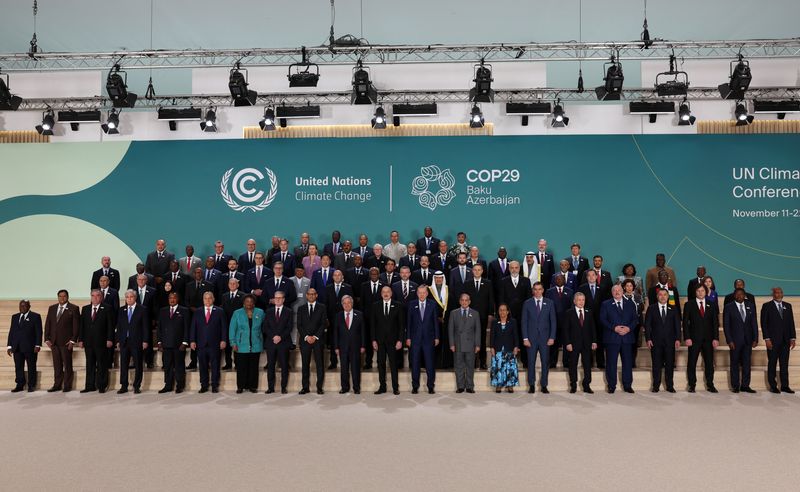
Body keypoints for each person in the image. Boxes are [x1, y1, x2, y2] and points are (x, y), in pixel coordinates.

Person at [600, 285, 639, 394]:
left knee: (627, 362)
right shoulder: (606, 304)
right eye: (614, 290)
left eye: (619, 290)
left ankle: (627, 385)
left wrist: (628, 328)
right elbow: (602, 319)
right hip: (612, 338)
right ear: (612, 292)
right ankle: (611, 385)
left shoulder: (630, 304)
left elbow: (635, 319)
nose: (617, 292)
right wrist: (614, 328)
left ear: (623, 292)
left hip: (627, 337)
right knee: (611, 363)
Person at [683, 283, 719, 393]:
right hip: (693, 339)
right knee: (692, 363)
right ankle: (692, 385)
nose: (700, 293)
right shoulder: (689, 304)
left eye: (702, 291)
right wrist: (687, 338)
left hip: (708, 340)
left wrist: (716, 338)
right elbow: (685, 323)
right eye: (698, 291)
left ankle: (710, 384)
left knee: (709, 363)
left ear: (706, 292)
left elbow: (715, 323)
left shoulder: (711, 304)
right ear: (695, 292)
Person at [521, 282, 556, 394]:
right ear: (532, 290)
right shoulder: (527, 303)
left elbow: (553, 322)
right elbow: (524, 322)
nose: (537, 291)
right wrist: (525, 338)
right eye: (535, 289)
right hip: (531, 339)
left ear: (543, 290)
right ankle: (531, 384)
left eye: (539, 289)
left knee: (545, 362)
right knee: (531, 362)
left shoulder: (549, 303)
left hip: (545, 339)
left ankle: (544, 385)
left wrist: (552, 337)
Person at [644, 288, 681, 393]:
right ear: (657, 296)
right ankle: (656, 385)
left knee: (669, 364)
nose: (663, 297)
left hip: (670, 342)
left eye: (665, 294)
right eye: (660, 295)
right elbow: (647, 325)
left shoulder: (673, 309)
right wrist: (648, 339)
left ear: (668, 296)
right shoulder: (651, 308)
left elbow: (677, 326)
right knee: (656, 364)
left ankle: (670, 385)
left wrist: (678, 339)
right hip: (655, 342)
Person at [190, 292, 228, 393]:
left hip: (215, 343)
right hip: (201, 343)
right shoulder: (197, 312)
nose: (207, 300)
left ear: (213, 299)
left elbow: (224, 327)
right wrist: (192, 340)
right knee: (202, 366)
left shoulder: (220, 311)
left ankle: (215, 385)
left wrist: (223, 340)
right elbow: (193, 327)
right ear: (203, 300)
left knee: (215, 365)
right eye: (205, 298)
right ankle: (204, 385)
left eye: (209, 298)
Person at [43, 289, 80, 392]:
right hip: (54, 342)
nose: (62, 298)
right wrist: (46, 339)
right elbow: (48, 324)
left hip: (66, 342)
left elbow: (76, 326)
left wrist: (73, 340)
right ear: (57, 297)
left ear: (67, 297)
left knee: (67, 365)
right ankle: (57, 385)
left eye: (64, 296)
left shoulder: (74, 308)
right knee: (57, 365)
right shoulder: (52, 308)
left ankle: (67, 385)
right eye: (60, 296)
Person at [760, 287, 796, 394]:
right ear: (773, 294)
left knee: (784, 364)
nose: (779, 294)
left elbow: (791, 323)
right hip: (772, 341)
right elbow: (764, 324)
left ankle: (785, 386)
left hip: (785, 341)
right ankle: (773, 386)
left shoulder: (788, 306)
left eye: (781, 292)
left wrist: (792, 338)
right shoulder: (767, 306)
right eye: (777, 292)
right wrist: (767, 339)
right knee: (772, 363)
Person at [78, 290, 114, 393]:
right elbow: (82, 326)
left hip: (102, 342)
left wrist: (110, 339)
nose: (95, 298)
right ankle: (90, 386)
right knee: (90, 364)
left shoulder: (107, 308)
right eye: (93, 296)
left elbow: (110, 326)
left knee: (102, 364)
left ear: (101, 297)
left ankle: (102, 385)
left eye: (98, 296)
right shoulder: (85, 309)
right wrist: (80, 339)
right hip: (88, 342)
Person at [723, 288, 758, 394]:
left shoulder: (750, 306)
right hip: (735, 341)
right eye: (737, 294)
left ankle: (745, 385)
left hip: (748, 340)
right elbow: (726, 325)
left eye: (741, 294)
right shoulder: (729, 307)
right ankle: (735, 386)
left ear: (744, 295)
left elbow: (754, 324)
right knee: (734, 363)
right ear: (734, 295)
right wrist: (729, 340)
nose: (739, 296)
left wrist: (755, 338)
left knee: (747, 363)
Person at [371, 286, 405, 394]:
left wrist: (400, 340)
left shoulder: (398, 306)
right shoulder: (375, 306)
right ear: (381, 294)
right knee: (381, 364)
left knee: (393, 364)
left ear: (391, 293)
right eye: (384, 292)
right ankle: (382, 387)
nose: (386, 294)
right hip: (380, 341)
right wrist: (373, 340)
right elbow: (373, 325)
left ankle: (395, 387)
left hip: (393, 341)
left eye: (388, 292)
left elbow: (401, 325)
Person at [407, 285, 440, 394]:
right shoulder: (412, 304)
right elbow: (409, 323)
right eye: (419, 292)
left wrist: (436, 337)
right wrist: (408, 338)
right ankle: (415, 386)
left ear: (427, 293)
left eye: (423, 292)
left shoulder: (433, 304)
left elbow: (435, 322)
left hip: (429, 339)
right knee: (415, 363)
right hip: (415, 339)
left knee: (430, 364)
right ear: (417, 293)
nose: (421, 294)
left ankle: (431, 386)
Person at [498, 261, 531, 367]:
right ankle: (510, 361)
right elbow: (501, 299)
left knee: (523, 336)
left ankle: (525, 361)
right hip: (509, 315)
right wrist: (504, 314)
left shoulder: (526, 281)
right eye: (512, 268)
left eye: (516, 267)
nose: (514, 270)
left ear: (519, 269)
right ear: (509, 269)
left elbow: (529, 298)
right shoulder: (503, 281)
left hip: (523, 315)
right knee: (509, 338)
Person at [229, 294, 264, 394]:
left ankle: (252, 386)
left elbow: (264, 326)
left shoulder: (260, 312)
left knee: (254, 366)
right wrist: (233, 342)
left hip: (256, 343)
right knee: (241, 367)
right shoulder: (237, 313)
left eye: (251, 301)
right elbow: (232, 328)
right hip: (241, 344)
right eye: (247, 301)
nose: (249, 303)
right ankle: (241, 386)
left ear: (254, 303)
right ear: (243, 303)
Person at [116, 290, 149, 394]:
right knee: (123, 365)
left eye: (131, 297)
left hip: (137, 341)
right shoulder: (121, 310)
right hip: (124, 342)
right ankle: (124, 386)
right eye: (127, 297)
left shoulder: (142, 310)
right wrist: (118, 340)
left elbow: (145, 327)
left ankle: (137, 385)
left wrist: (145, 340)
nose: (129, 299)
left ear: (135, 298)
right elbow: (119, 327)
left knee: (138, 364)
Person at [296, 288, 328, 394]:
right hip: (305, 341)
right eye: (309, 294)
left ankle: (319, 387)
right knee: (305, 365)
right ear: (306, 295)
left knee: (319, 364)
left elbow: (323, 324)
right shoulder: (301, 308)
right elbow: (299, 325)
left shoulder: (322, 307)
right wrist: (306, 336)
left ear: (316, 295)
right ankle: (305, 387)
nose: (311, 296)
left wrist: (315, 337)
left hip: (318, 340)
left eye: (313, 294)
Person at [463, 263, 494, 370]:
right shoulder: (467, 283)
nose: (477, 271)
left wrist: (490, 313)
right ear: (472, 271)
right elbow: (464, 300)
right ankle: (472, 362)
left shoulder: (488, 283)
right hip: (470, 315)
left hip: (483, 316)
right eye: (475, 270)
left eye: (479, 270)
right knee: (470, 339)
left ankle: (482, 362)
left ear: (482, 271)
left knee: (482, 338)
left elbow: (491, 299)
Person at [156, 291, 189, 393]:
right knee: (167, 366)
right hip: (166, 344)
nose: (172, 300)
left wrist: (185, 342)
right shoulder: (163, 311)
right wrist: (159, 342)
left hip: (179, 344)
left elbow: (187, 328)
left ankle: (180, 385)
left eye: (174, 298)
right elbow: (159, 328)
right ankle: (168, 385)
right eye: (170, 298)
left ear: (177, 299)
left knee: (179, 365)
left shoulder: (184, 310)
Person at [448, 293, 481, 393]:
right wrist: (452, 344)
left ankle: (470, 386)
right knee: (459, 366)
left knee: (470, 365)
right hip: (458, 344)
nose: (464, 302)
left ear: (469, 302)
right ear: (459, 301)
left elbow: (478, 330)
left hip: (470, 344)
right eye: (462, 300)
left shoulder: (475, 313)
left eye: (466, 300)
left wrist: (477, 344)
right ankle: (460, 386)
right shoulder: (454, 313)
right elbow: (450, 330)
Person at [7, 300, 42, 392]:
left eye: (24, 306)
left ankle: (31, 385)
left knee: (31, 366)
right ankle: (20, 384)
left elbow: (39, 332)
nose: (22, 308)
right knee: (18, 366)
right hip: (17, 346)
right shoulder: (15, 317)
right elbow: (12, 332)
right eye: (20, 306)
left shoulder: (35, 316)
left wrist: (38, 345)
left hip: (30, 347)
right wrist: (9, 346)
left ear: (29, 306)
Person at [564, 292, 596, 394]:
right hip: (573, 344)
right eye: (579, 300)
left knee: (587, 365)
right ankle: (573, 385)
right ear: (574, 301)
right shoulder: (569, 312)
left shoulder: (589, 312)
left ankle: (586, 385)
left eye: (583, 300)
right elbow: (566, 330)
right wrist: (568, 343)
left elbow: (593, 328)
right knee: (573, 364)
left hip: (586, 343)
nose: (581, 302)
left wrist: (594, 341)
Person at [333, 296, 365, 394]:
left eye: (348, 303)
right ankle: (345, 387)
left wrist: (363, 345)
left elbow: (363, 332)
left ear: (352, 303)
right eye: (344, 303)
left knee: (355, 367)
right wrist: (336, 347)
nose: (347, 305)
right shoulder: (338, 316)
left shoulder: (359, 315)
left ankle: (356, 387)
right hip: (343, 347)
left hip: (356, 346)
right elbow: (335, 333)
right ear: (342, 305)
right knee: (344, 368)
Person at [263, 291, 292, 394]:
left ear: (283, 299)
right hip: (271, 342)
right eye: (276, 298)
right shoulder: (269, 311)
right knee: (270, 366)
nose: (278, 299)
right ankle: (270, 387)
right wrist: (273, 336)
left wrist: (280, 337)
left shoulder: (288, 311)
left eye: (280, 298)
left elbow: (289, 328)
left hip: (283, 342)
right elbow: (265, 327)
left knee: (284, 366)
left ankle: (283, 387)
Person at [578, 270, 608, 369]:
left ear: (596, 277)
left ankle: (600, 362)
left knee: (600, 340)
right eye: (589, 275)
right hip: (586, 319)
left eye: (593, 275)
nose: (591, 277)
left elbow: (606, 304)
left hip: (600, 319)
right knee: (587, 341)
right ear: (586, 277)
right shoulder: (582, 288)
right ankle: (588, 362)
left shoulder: (603, 288)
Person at [545, 274, 574, 369]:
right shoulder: (549, 292)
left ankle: (566, 362)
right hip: (553, 322)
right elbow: (547, 306)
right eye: (557, 279)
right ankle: (552, 362)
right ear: (554, 280)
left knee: (566, 342)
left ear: (564, 280)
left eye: (561, 279)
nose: (559, 280)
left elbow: (572, 307)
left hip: (566, 322)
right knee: (554, 343)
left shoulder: (570, 291)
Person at [490, 304, 519, 393]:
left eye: (504, 310)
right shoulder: (495, 322)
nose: (502, 312)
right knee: (498, 367)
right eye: (500, 310)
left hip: (509, 348)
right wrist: (491, 347)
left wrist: (516, 346)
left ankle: (510, 385)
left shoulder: (513, 321)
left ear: (507, 311)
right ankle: (498, 385)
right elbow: (492, 336)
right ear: (498, 312)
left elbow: (516, 335)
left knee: (510, 367)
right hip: (498, 348)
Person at [428, 271, 452, 369]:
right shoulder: (429, 290)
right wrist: (437, 317)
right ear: (434, 279)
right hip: (433, 321)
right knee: (434, 343)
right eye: (436, 278)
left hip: (447, 321)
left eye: (440, 278)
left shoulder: (448, 289)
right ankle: (435, 364)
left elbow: (452, 304)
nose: (438, 280)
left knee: (447, 342)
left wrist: (446, 317)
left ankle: (446, 363)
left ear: (443, 279)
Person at [134, 274, 158, 368]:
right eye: (139, 279)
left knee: (148, 339)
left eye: (143, 279)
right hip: (135, 320)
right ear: (136, 280)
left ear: (146, 280)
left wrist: (154, 319)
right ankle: (135, 361)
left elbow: (155, 306)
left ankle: (149, 361)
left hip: (148, 320)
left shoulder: (152, 291)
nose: (141, 281)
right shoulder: (133, 290)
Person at [220, 278, 244, 370]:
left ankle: (237, 364)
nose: (232, 285)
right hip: (227, 323)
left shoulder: (243, 295)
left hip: (238, 324)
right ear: (228, 285)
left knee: (237, 344)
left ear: (238, 285)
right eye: (230, 283)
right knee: (228, 345)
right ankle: (228, 363)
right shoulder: (224, 296)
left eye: (234, 283)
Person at [622, 279, 644, 368]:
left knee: (634, 344)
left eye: (631, 286)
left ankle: (632, 361)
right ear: (624, 287)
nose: (629, 288)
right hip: (625, 324)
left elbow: (641, 310)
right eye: (627, 286)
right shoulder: (621, 297)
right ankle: (626, 361)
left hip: (636, 324)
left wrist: (642, 324)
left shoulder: (638, 297)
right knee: (626, 344)